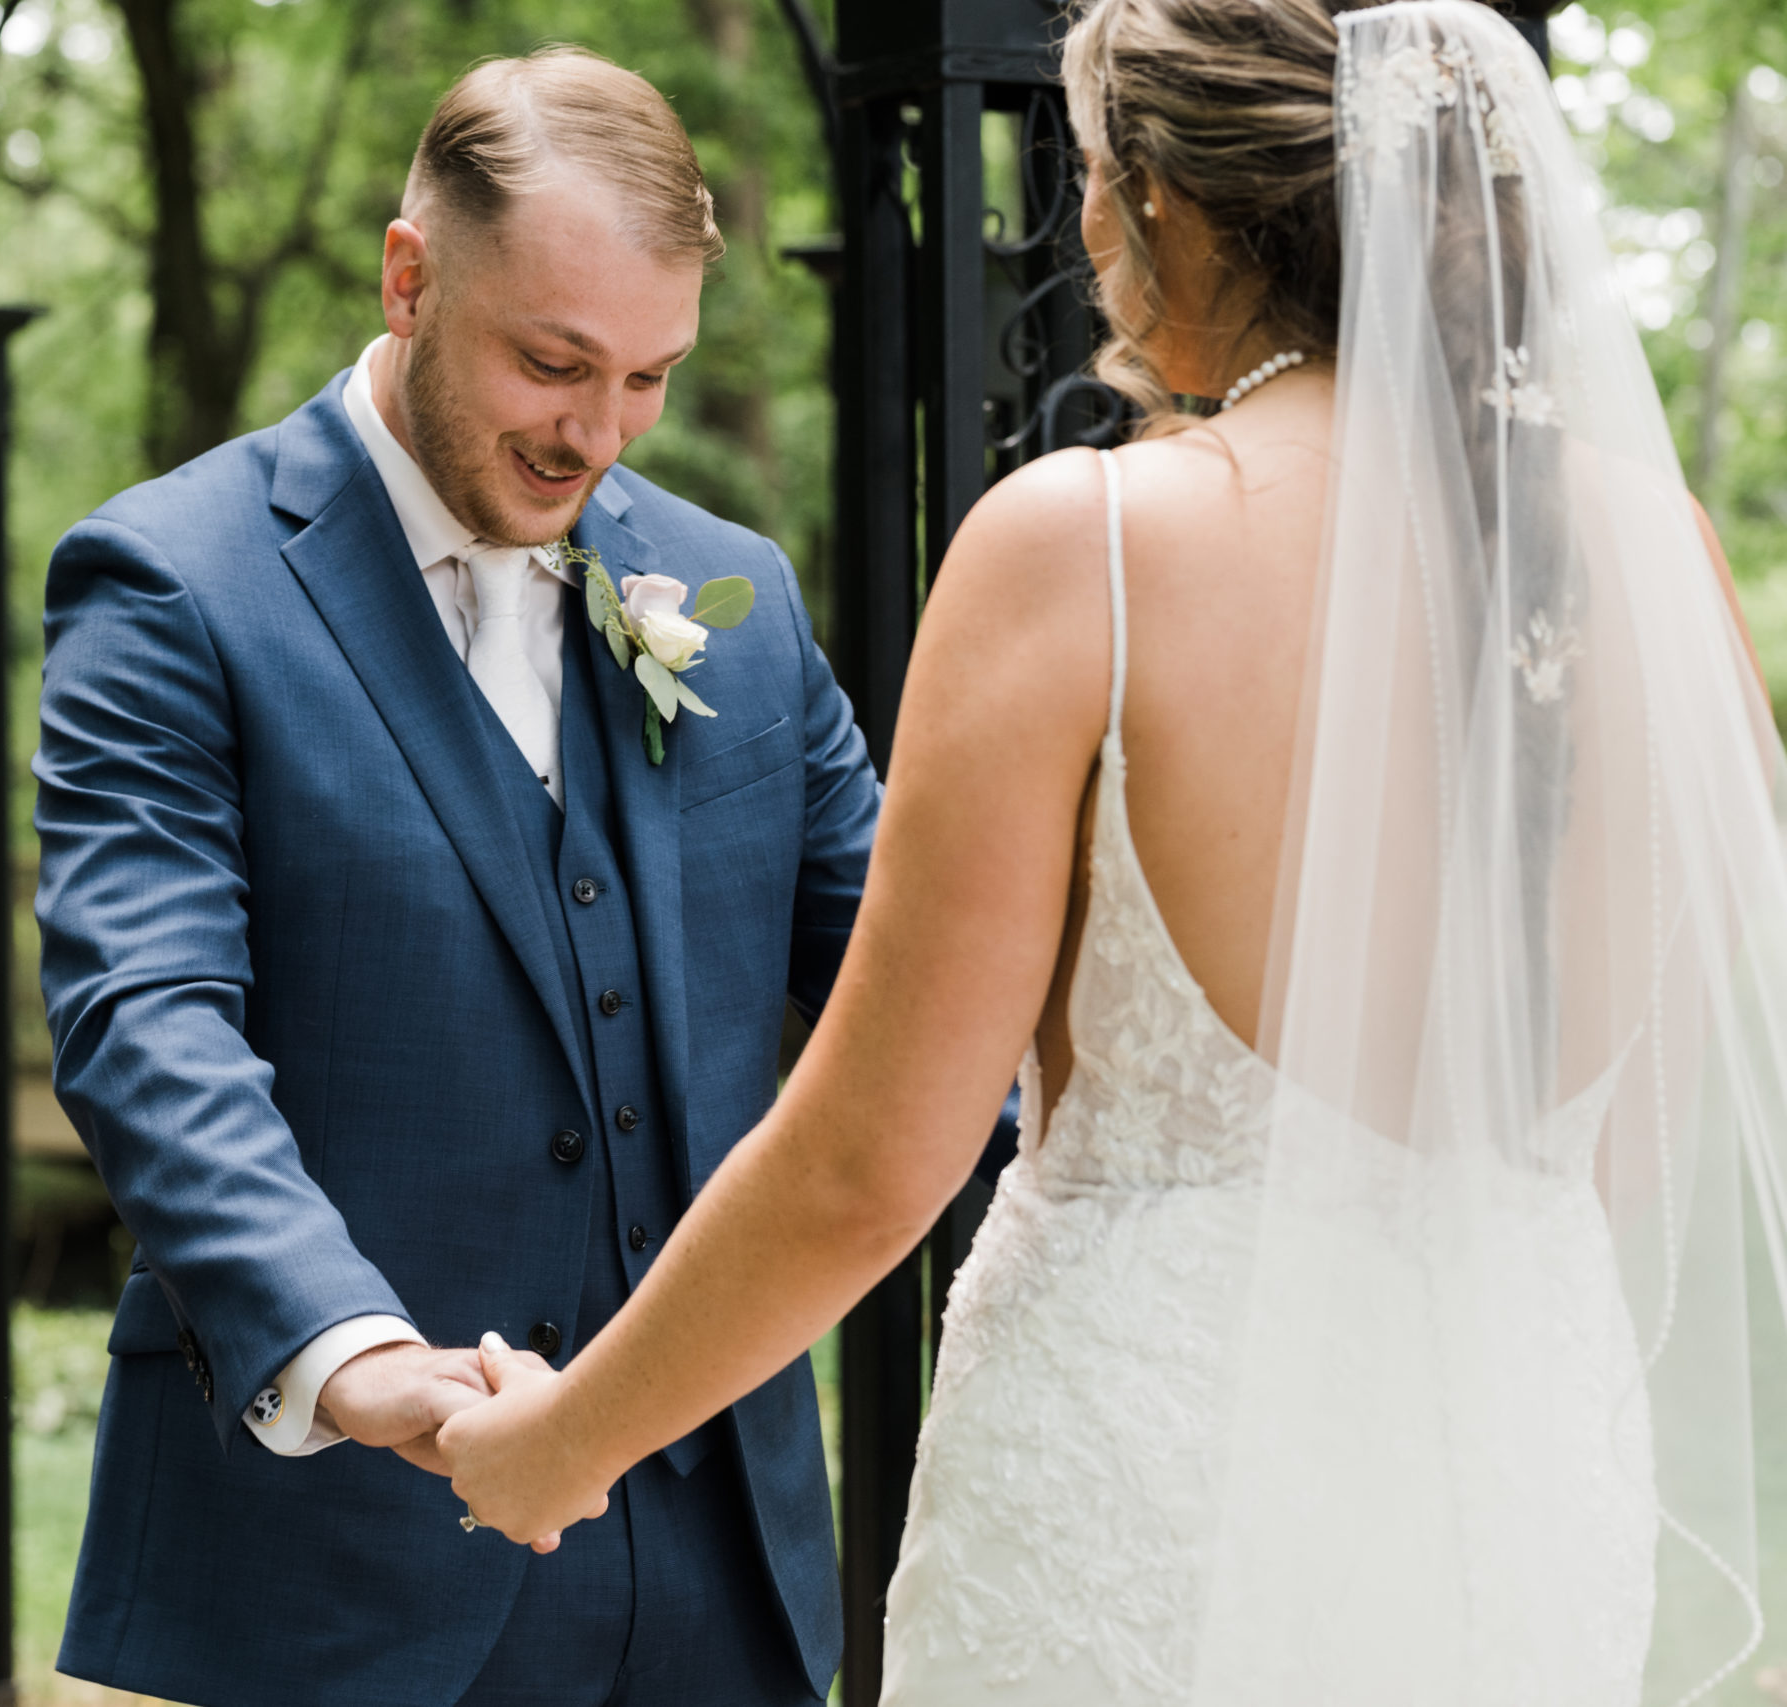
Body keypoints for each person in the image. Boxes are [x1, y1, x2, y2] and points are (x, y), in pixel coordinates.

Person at [440, 2, 1787, 1701]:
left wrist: (563, 1442)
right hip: (1520, 1486)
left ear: (1172, 201)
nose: (1081, 232)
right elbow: (1644, 1134)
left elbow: (872, 1162)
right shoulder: (1656, 554)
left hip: (1150, 1501)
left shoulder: (1098, 546)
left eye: (1091, 176)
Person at [31, 45, 880, 1707]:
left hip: (728, 1585)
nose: (600, 435)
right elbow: (148, 1025)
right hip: (343, 1576)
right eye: (555, 362)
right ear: (410, 278)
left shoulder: (736, 594)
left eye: (650, 376)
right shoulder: (172, 585)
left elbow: (923, 985)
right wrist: (362, 1366)